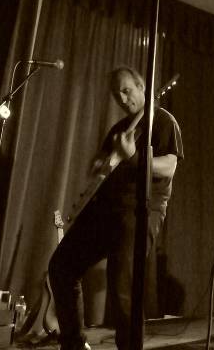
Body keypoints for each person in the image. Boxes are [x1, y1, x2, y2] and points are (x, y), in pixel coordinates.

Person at [48, 66, 183, 350]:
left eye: (126, 90)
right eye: (116, 94)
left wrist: (134, 156)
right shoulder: (119, 129)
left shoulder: (163, 121)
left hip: (140, 210)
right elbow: (99, 165)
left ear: (142, 87)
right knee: (61, 265)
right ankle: (73, 344)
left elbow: (169, 167)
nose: (122, 98)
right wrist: (99, 163)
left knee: (123, 285)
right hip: (104, 210)